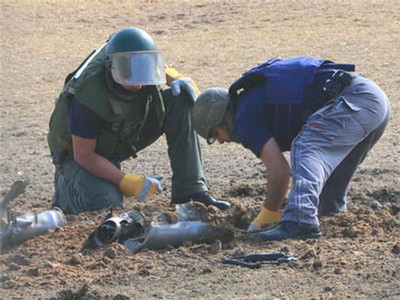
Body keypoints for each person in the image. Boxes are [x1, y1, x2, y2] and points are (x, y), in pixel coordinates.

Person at [192, 56, 390, 241]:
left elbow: (280, 171)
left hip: (354, 101)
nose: (220, 141)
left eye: (214, 134)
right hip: (371, 100)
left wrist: (268, 215)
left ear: (218, 118)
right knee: (324, 165)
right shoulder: (251, 103)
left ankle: (300, 220)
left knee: (306, 146)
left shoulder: (243, 119)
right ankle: (331, 214)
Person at [47, 27, 231, 214]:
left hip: (120, 132)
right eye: (129, 73)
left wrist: (174, 77)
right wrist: (125, 180)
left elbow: (138, 59)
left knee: (180, 99)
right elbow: (83, 154)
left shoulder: (129, 62)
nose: (138, 83)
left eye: (143, 69)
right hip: (77, 156)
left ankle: (190, 191)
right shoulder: (87, 95)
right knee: (107, 204)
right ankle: (65, 189)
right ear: (111, 68)